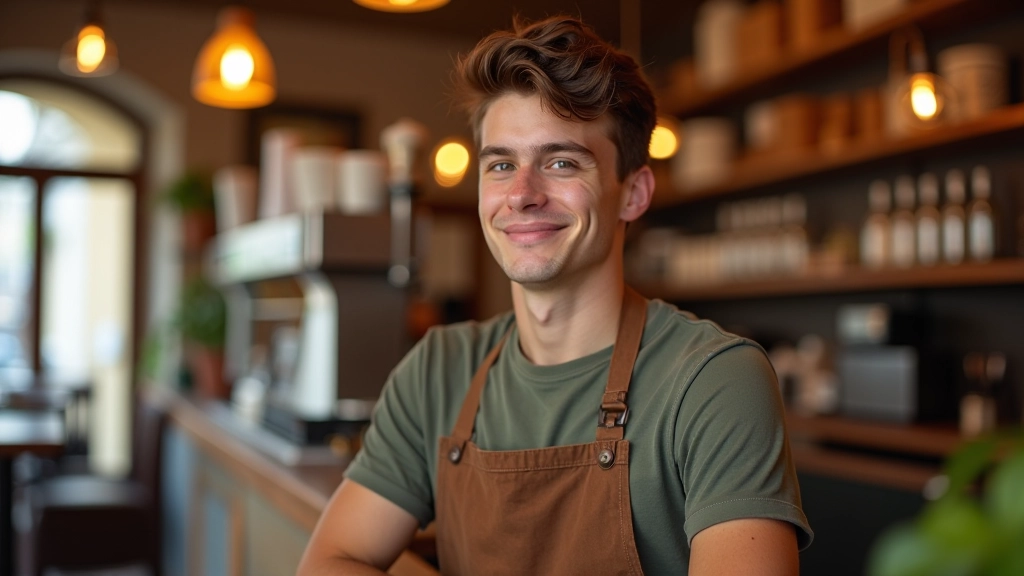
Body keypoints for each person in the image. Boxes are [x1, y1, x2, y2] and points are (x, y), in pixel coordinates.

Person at [297, 15, 812, 576]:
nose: (522, 194)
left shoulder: (712, 381)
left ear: (633, 193)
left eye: (561, 162)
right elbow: (330, 560)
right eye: (501, 165)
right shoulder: (438, 372)